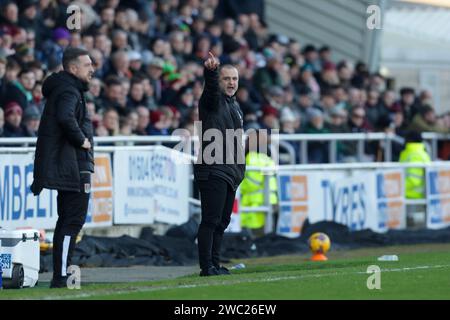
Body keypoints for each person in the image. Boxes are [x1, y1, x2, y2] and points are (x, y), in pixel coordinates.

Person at [30, 47, 95, 288]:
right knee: (72, 221)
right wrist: (82, 140)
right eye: (88, 65)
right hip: (75, 167)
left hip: (70, 166)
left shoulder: (65, 88)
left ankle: (61, 273)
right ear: (73, 68)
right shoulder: (69, 90)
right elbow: (65, 118)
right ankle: (61, 276)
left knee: (66, 221)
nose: (92, 70)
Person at [194, 52, 245, 276]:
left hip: (229, 172)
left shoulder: (234, 106)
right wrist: (211, 72)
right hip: (213, 168)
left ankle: (215, 264)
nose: (231, 83)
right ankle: (206, 267)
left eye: (234, 79)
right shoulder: (211, 101)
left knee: (222, 222)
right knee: (211, 220)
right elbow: (210, 91)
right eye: (227, 78)